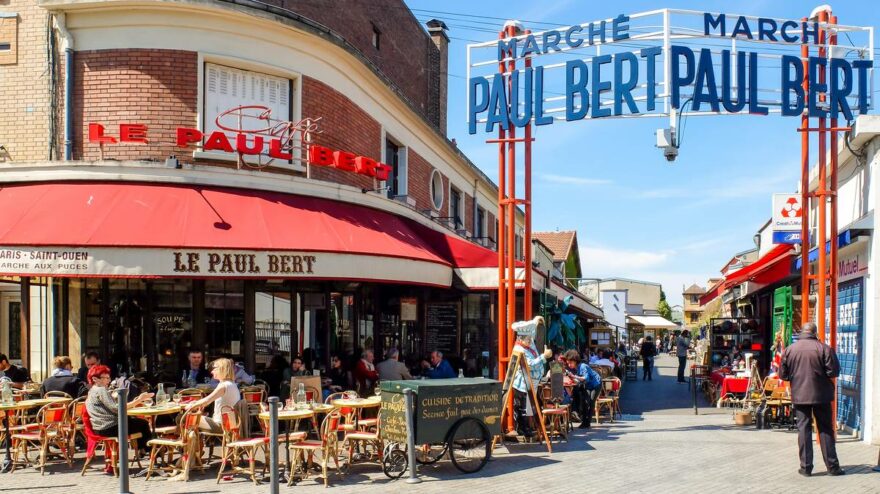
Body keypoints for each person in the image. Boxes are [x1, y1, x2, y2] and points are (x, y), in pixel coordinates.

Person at [780, 322, 844, 477]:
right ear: (815, 333)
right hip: (821, 396)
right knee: (825, 429)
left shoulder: (789, 350)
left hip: (800, 395)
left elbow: (783, 375)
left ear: (802, 332)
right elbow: (833, 371)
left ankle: (806, 467)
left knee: (804, 429)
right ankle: (832, 467)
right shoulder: (824, 348)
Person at [85, 364, 153, 453]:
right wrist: (139, 400)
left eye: (108, 378)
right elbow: (117, 408)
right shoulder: (101, 390)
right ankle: (151, 451)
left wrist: (134, 402)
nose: (108, 380)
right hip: (110, 427)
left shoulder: (92, 391)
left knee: (135, 422)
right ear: (95, 379)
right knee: (143, 424)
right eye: (105, 378)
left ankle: (142, 450)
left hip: (98, 428)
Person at [511, 317, 552, 438]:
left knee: (528, 407)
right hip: (522, 384)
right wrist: (544, 356)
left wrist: (536, 321)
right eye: (528, 339)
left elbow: (533, 333)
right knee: (522, 408)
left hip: (531, 382)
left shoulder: (529, 343)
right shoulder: (519, 348)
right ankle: (523, 429)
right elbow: (529, 365)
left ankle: (529, 428)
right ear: (520, 339)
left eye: (530, 338)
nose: (530, 341)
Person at [185, 358, 242, 434]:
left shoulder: (224, 386)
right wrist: (196, 403)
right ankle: (193, 444)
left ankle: (180, 444)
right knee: (191, 419)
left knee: (183, 418)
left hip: (221, 426)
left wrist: (191, 406)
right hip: (230, 425)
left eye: (214, 368)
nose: (212, 371)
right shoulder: (232, 384)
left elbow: (207, 401)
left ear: (222, 369)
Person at [563, 349, 601, 429]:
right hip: (588, 385)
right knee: (585, 402)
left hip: (596, 384)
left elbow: (585, 378)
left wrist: (574, 376)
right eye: (568, 363)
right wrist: (572, 377)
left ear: (575, 360)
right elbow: (579, 381)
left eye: (570, 362)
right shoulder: (577, 368)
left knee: (590, 402)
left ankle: (587, 423)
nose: (569, 365)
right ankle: (585, 422)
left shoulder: (583, 366)